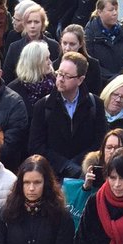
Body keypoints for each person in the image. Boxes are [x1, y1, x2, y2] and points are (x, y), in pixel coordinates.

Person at [28, 52, 106, 180]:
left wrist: (78, 163)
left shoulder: (95, 104)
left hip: (84, 174)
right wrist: (64, 165)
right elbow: (35, 146)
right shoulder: (43, 106)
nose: (60, 79)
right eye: (59, 73)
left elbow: (100, 141)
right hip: (52, 175)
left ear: (80, 80)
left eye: (67, 76)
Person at [3, 2, 60, 78]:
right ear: (24, 24)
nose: (32, 26)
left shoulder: (53, 46)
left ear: (42, 24)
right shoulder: (14, 47)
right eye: (29, 22)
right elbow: (7, 76)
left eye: (36, 22)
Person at [86, 0, 123, 81]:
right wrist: (112, 78)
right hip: (99, 83)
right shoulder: (89, 35)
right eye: (111, 10)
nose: (115, 13)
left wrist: (121, 76)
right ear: (99, 12)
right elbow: (90, 63)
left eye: (116, 9)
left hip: (122, 81)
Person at [8, 41, 57, 113]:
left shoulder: (56, 83)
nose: (50, 62)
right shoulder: (13, 90)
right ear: (35, 63)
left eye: (49, 57)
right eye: (46, 59)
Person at [58, 25, 102, 95]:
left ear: (80, 44)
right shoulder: (55, 65)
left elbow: (96, 93)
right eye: (64, 43)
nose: (67, 48)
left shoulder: (93, 65)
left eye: (72, 44)